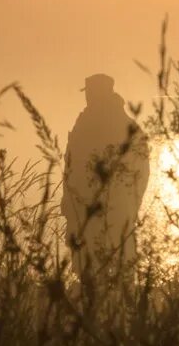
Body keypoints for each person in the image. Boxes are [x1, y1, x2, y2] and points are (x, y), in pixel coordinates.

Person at [64, 73, 150, 291]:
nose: (88, 98)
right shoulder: (125, 125)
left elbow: (140, 169)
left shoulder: (88, 124)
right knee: (102, 271)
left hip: (104, 211)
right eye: (88, 93)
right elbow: (72, 166)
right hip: (96, 210)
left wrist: (131, 203)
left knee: (110, 271)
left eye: (91, 93)